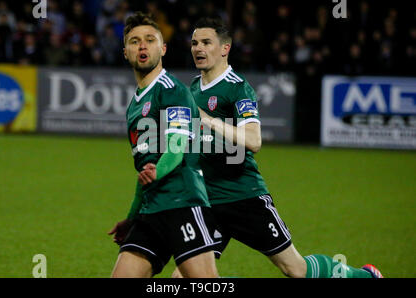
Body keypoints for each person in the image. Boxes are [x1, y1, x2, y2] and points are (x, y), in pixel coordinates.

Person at [171, 17, 383, 279]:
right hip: (208, 201)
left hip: (243, 197)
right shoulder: (192, 87)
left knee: (295, 269)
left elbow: (254, 140)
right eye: (194, 43)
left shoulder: (238, 89)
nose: (198, 48)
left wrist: (208, 120)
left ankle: (365, 277)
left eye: (206, 42)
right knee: (183, 278)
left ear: (225, 48)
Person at [107, 12, 220, 278]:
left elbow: (177, 146)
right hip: (151, 210)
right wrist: (133, 216)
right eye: (134, 41)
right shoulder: (134, 105)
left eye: (149, 39)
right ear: (125, 52)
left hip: (182, 202)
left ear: (163, 48)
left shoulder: (172, 89)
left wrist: (158, 171)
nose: (142, 46)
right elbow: (144, 170)